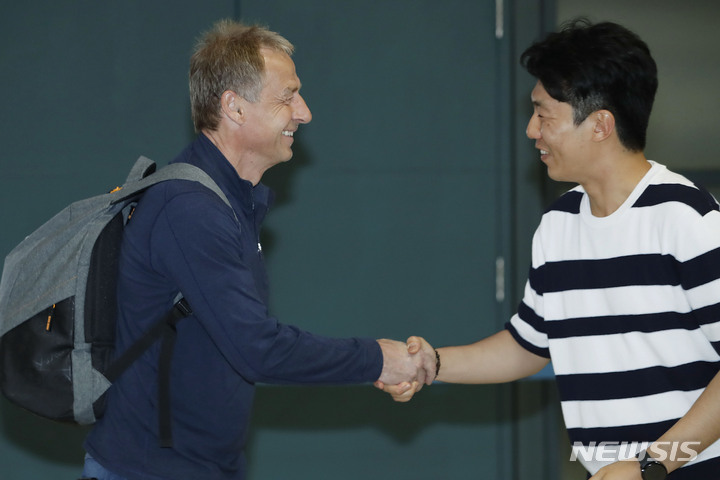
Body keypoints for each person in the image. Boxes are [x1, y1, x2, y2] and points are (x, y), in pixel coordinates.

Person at [81, 19, 435, 480]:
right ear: (234, 107)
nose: (304, 112)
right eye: (287, 96)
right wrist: (378, 359)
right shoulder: (189, 209)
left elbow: (232, 346)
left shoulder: (224, 201)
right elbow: (256, 348)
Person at [378, 19, 720, 480]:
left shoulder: (687, 217)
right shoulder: (559, 223)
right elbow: (530, 345)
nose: (530, 130)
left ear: (600, 124)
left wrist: (652, 466)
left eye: (543, 114)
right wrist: (431, 364)